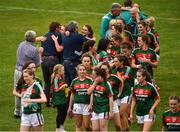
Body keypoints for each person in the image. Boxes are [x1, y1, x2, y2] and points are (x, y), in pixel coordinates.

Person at [14, 30, 41, 117]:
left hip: (17, 71)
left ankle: (17, 111)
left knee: (17, 89)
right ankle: (25, 111)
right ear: (33, 39)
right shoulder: (34, 49)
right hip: (27, 73)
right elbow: (37, 63)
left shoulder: (21, 44)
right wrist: (40, 53)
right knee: (27, 91)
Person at [41, 21, 64, 107]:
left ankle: (46, 102)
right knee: (55, 81)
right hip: (52, 60)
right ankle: (55, 102)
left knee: (47, 82)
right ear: (56, 28)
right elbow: (61, 48)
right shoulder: (58, 35)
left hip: (44, 60)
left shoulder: (45, 36)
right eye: (59, 27)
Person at [68, 64, 93, 131]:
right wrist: (70, 107)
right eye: (80, 70)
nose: (82, 71)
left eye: (83, 70)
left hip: (87, 105)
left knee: (87, 126)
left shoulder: (90, 80)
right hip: (77, 105)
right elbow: (72, 94)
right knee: (78, 125)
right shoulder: (74, 81)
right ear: (77, 71)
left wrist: (91, 104)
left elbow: (92, 94)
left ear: (86, 71)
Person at [88, 67, 113, 131]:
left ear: (99, 76)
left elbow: (110, 98)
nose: (92, 76)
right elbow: (89, 92)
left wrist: (111, 111)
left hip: (103, 109)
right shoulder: (94, 82)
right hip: (95, 109)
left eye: (94, 75)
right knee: (95, 129)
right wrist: (90, 104)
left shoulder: (106, 84)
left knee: (103, 128)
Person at [112, 54, 133, 131]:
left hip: (126, 93)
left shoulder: (128, 69)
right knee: (120, 115)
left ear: (122, 62)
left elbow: (122, 80)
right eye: (114, 61)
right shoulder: (114, 70)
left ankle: (126, 130)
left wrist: (117, 76)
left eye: (116, 61)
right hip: (118, 94)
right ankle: (124, 129)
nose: (114, 63)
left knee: (121, 113)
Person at [100, 62, 123, 131]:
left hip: (113, 103)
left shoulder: (114, 77)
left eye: (105, 69)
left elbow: (121, 83)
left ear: (108, 69)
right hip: (103, 104)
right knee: (104, 126)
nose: (103, 71)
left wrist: (119, 93)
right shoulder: (99, 79)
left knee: (118, 126)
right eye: (102, 69)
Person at [51, 64, 68, 132]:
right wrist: (63, 86)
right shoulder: (56, 78)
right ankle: (58, 128)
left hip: (63, 98)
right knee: (60, 113)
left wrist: (67, 89)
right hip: (58, 99)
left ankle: (61, 127)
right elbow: (56, 89)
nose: (64, 71)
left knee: (64, 113)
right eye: (63, 70)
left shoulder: (61, 77)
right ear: (58, 70)